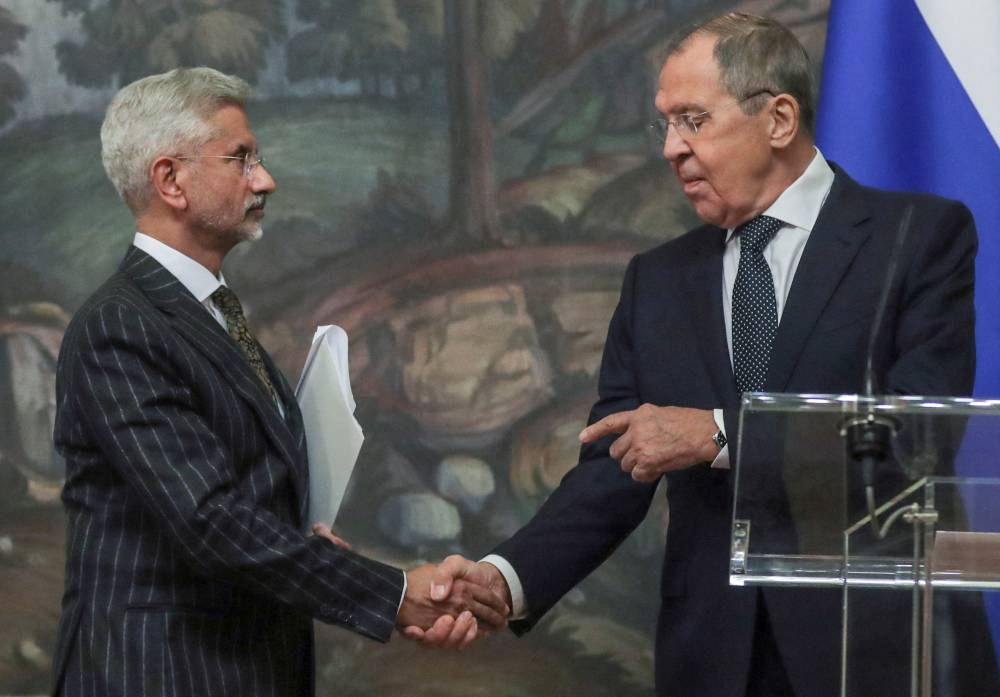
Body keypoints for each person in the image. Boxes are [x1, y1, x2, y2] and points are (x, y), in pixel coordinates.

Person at [407, 12, 999, 697]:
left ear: (778, 119)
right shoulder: (657, 280)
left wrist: (718, 434)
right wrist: (503, 580)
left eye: (693, 119)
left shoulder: (917, 239)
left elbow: (917, 435)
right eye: (664, 124)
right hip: (715, 660)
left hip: (878, 651)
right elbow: (612, 470)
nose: (670, 148)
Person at [51, 67, 507, 697]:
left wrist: (312, 544)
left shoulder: (205, 312)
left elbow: (240, 496)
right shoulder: (120, 326)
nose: (265, 179)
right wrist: (396, 592)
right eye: (240, 159)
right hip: (165, 674)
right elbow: (211, 522)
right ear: (170, 180)